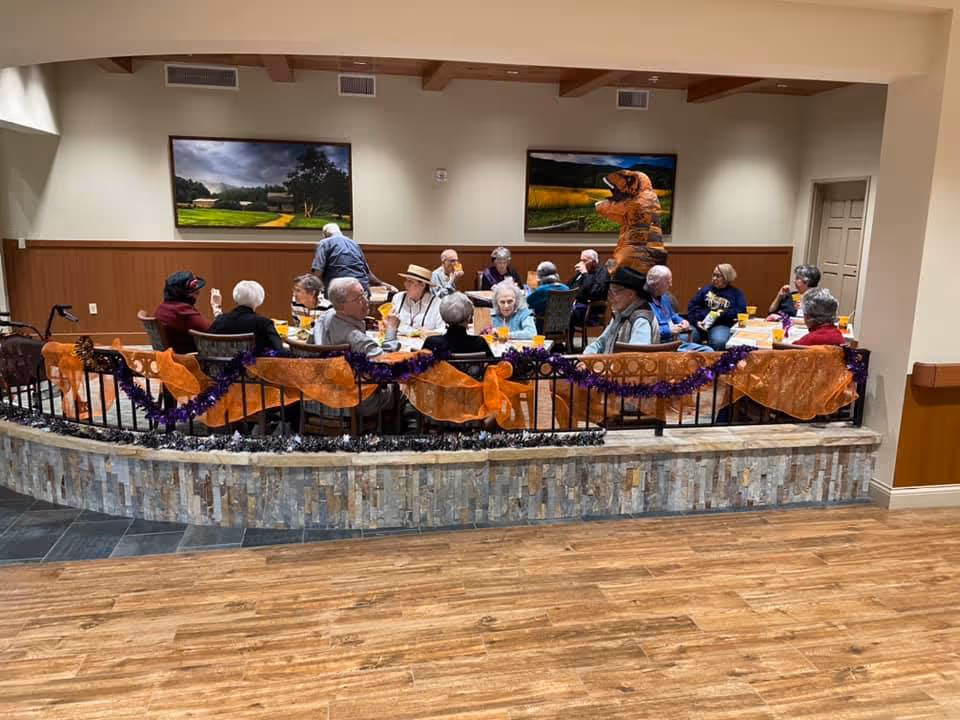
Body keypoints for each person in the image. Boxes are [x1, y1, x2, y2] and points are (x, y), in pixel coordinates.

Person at [314, 277, 400, 357]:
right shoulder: (355, 337)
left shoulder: (325, 315)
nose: (366, 301)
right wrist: (391, 329)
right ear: (341, 307)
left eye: (364, 295)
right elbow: (387, 360)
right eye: (359, 299)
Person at [584, 266, 660, 354]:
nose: (609, 297)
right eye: (609, 292)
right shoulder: (620, 313)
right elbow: (600, 343)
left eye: (614, 292)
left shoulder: (641, 321)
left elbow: (635, 360)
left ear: (631, 294)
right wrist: (586, 358)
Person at [310, 223, 396, 295]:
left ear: (325, 235)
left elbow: (318, 271)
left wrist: (312, 290)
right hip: (362, 290)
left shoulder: (324, 243)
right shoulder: (354, 244)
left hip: (339, 292)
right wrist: (382, 283)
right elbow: (368, 273)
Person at [645, 265, 712, 352]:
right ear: (656, 284)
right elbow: (647, 331)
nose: (671, 285)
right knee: (701, 354)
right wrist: (669, 330)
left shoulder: (664, 296)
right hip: (660, 346)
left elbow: (673, 315)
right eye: (668, 282)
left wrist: (682, 321)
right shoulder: (643, 303)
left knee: (708, 350)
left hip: (674, 341)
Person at [154, 271, 222, 354]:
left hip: (171, 355)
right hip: (186, 359)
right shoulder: (182, 312)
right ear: (184, 294)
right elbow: (214, 332)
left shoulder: (161, 308)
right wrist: (216, 307)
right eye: (195, 292)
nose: (198, 294)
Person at [209, 280, 283, 354]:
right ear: (259, 299)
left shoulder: (220, 321)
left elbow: (208, 344)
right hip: (253, 364)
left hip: (221, 365)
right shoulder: (263, 323)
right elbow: (278, 350)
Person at [687, 264, 747, 351]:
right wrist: (696, 321)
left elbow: (741, 311)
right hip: (699, 324)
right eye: (713, 275)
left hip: (721, 324)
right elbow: (692, 307)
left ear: (727, 278)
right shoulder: (705, 290)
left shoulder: (736, 293)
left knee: (719, 341)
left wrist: (722, 314)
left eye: (718, 276)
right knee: (683, 339)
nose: (714, 278)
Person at [422, 293, 494, 358]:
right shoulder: (479, 343)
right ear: (469, 318)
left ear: (443, 317)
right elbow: (493, 366)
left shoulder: (432, 343)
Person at [389, 264, 445, 334]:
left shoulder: (437, 304)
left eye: (410, 281)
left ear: (422, 285)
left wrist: (430, 333)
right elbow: (389, 322)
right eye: (406, 280)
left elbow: (442, 330)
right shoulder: (398, 298)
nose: (406, 284)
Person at [568, 249, 609, 324]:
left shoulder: (602, 272)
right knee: (560, 312)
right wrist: (578, 277)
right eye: (581, 260)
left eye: (585, 261)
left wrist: (585, 274)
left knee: (567, 315)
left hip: (592, 310)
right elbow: (569, 288)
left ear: (594, 262)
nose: (581, 263)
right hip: (577, 306)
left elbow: (593, 291)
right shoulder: (583, 273)